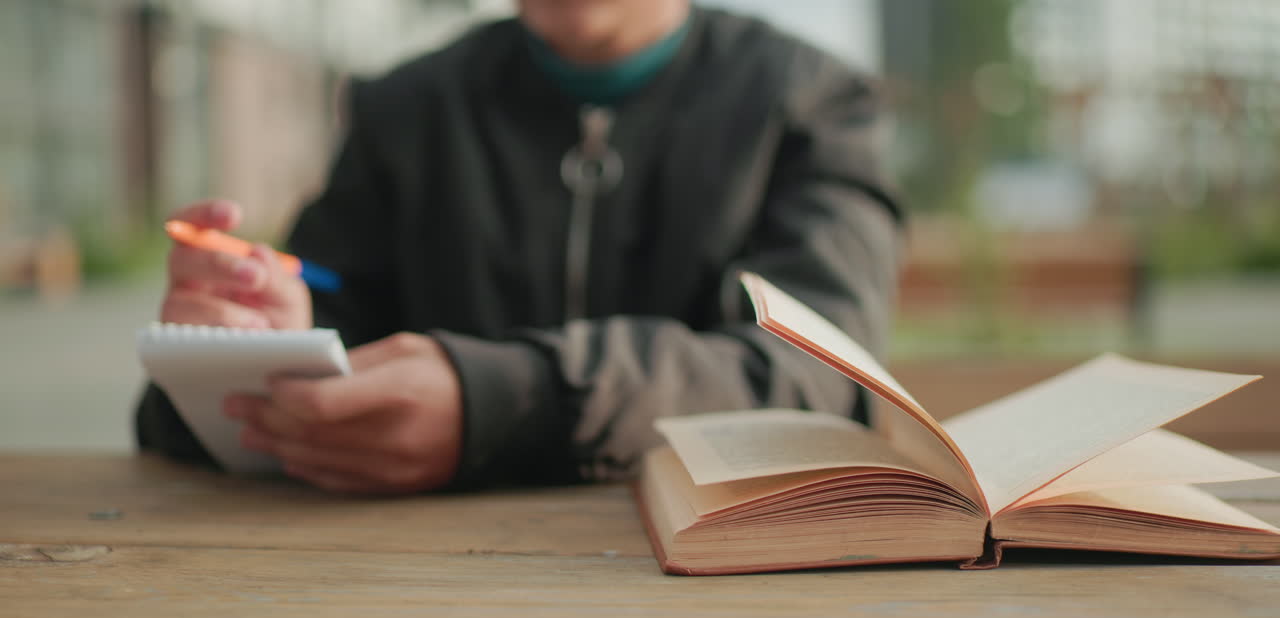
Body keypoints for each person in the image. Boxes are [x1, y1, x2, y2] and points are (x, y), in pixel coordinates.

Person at [135, 0, 904, 495]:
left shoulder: (810, 102)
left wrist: (508, 403)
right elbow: (326, 313)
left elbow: (824, 370)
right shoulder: (406, 106)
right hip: (405, 596)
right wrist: (249, 346)